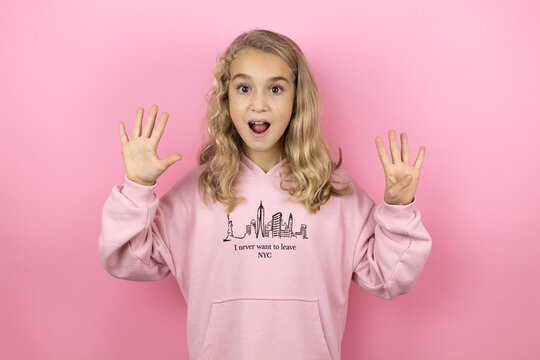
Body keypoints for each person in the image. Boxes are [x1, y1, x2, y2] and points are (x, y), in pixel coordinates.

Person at [98, 29, 432, 360]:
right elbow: (126, 259)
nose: (259, 103)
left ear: (297, 98)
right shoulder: (197, 192)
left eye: (275, 89)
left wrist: (398, 207)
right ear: (226, 99)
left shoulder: (334, 191)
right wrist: (138, 187)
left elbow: (391, 277)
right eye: (244, 88)